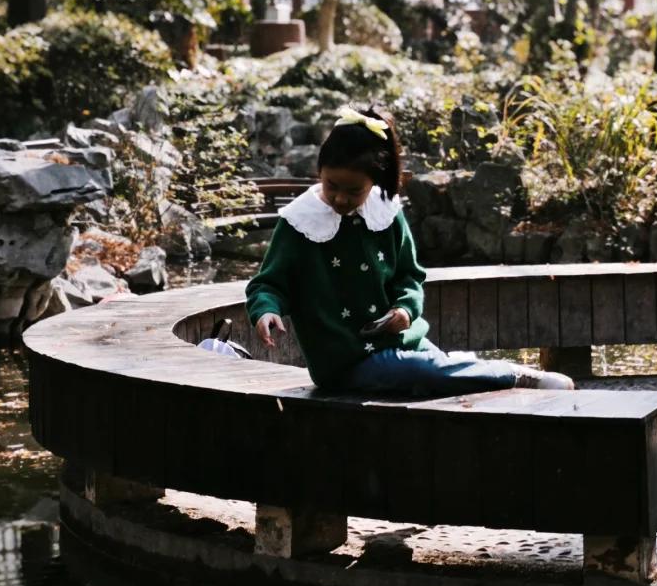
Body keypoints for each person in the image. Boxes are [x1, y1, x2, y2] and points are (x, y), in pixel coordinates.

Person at [246, 106, 575, 395]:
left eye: (354, 190)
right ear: (320, 172)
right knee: (425, 372)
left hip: (401, 341)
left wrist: (405, 309)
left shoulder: (385, 213)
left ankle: (471, 367)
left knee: (431, 372)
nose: (341, 199)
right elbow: (268, 283)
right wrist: (266, 310)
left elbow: (409, 276)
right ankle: (515, 375)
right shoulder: (299, 222)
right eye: (332, 185)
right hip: (344, 362)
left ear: (374, 182)